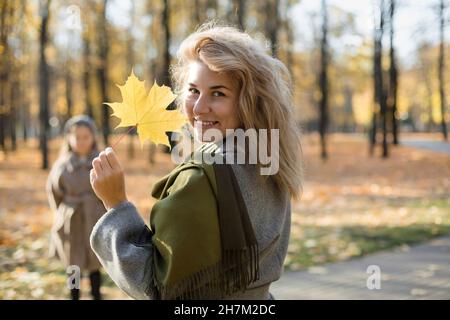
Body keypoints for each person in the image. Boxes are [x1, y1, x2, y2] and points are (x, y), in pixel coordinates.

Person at [89, 22, 303, 300]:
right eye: (193, 91)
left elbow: (156, 287)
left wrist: (115, 204)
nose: (200, 107)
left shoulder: (202, 178)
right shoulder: (270, 159)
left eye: (218, 93)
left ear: (248, 101)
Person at [47, 115, 105, 300]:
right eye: (76, 137)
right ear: (69, 139)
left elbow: (109, 188)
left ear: (93, 137)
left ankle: (96, 293)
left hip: (94, 217)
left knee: (94, 260)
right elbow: (54, 191)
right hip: (71, 222)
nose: (81, 141)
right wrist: (61, 212)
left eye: (85, 137)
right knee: (74, 262)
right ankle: (74, 294)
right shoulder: (62, 165)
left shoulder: (100, 162)